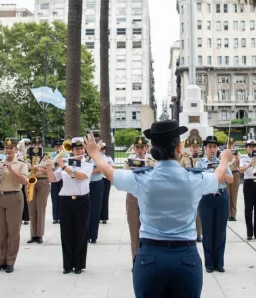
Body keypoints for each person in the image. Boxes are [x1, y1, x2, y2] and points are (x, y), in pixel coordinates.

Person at [85, 121, 232, 298]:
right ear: (179, 148)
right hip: (185, 259)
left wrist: (94, 152)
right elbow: (217, 177)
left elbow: (109, 172)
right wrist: (224, 159)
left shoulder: (141, 178)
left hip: (150, 258)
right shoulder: (194, 179)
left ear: (153, 149)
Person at [46, 137, 93, 274]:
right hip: (66, 201)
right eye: (77, 148)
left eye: (81, 148)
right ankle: (67, 265)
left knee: (81, 233)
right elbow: (54, 179)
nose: (80, 150)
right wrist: (49, 168)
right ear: (72, 150)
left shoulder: (87, 164)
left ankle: (78, 265)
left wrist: (64, 167)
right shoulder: (66, 162)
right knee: (66, 233)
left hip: (82, 201)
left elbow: (80, 176)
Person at [0, 138, 28, 273]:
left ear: (16, 150)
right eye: (6, 148)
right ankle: (0, 260)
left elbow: (23, 181)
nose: (8, 151)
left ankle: (10, 261)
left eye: (11, 148)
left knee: (13, 232)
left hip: (14, 197)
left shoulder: (21, 164)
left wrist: (11, 169)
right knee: (1, 232)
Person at [195, 135, 233, 273]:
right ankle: (209, 264)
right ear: (205, 148)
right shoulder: (200, 162)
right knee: (208, 231)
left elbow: (230, 180)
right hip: (206, 197)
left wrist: (220, 171)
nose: (212, 149)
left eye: (214, 146)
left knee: (220, 231)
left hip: (221, 195)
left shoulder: (222, 162)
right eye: (209, 146)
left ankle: (219, 263)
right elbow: (199, 178)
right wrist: (212, 173)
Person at [124, 134, 157, 262]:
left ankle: (148, 259)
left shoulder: (152, 162)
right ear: (134, 149)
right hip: (133, 198)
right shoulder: (128, 162)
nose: (139, 150)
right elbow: (126, 178)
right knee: (134, 232)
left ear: (146, 148)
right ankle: (136, 260)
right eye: (137, 147)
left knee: (149, 231)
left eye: (142, 147)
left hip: (148, 198)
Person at [240, 138, 256, 240]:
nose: (252, 148)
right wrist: (249, 165)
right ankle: (249, 233)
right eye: (250, 147)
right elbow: (241, 171)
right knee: (248, 208)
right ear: (247, 148)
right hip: (248, 183)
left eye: (254, 147)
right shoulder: (243, 158)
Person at [180, 133, 204, 241]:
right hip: (188, 190)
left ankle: (199, 233)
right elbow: (179, 171)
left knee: (199, 212)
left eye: (197, 147)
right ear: (190, 148)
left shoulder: (203, 159)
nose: (195, 149)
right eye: (193, 147)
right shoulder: (185, 159)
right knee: (189, 212)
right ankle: (189, 232)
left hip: (199, 189)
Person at [27, 138, 50, 244]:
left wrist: (40, 169)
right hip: (30, 183)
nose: (36, 146)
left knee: (40, 209)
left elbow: (51, 171)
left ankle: (39, 234)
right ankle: (33, 235)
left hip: (43, 183)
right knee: (31, 209)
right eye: (34, 144)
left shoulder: (47, 157)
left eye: (38, 144)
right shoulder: (27, 157)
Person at [87, 139, 104, 244]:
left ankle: (93, 236)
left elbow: (102, 167)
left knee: (95, 210)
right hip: (85, 184)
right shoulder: (84, 156)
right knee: (85, 210)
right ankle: (85, 234)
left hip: (96, 184)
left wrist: (89, 171)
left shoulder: (99, 155)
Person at [50, 138, 65, 224]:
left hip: (63, 178)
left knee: (62, 198)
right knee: (54, 198)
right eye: (57, 146)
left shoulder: (66, 155)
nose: (58, 148)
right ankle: (55, 217)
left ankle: (62, 216)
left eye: (60, 146)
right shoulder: (51, 155)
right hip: (54, 178)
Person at [225, 137, 240, 222]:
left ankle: (233, 214)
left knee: (234, 195)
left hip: (235, 173)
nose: (230, 145)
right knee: (227, 195)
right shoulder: (224, 153)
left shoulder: (236, 153)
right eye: (228, 143)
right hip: (227, 174)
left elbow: (239, 165)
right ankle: (227, 214)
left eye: (231, 143)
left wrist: (237, 159)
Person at [99, 142, 114, 224]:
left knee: (105, 198)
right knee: (97, 199)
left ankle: (104, 217)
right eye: (101, 149)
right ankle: (97, 216)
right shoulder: (95, 158)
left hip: (105, 179)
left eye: (103, 149)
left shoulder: (108, 158)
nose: (102, 151)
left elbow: (113, 166)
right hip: (97, 179)